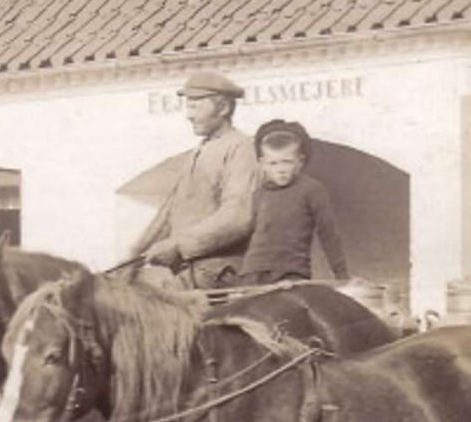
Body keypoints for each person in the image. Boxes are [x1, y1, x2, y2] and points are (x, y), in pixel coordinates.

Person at [133, 72, 258, 291]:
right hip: (187, 269)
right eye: (187, 107)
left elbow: (237, 216)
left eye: (195, 106)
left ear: (223, 109)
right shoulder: (199, 151)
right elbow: (168, 213)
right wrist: (132, 256)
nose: (188, 115)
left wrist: (179, 244)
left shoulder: (241, 148)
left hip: (217, 271)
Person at [237, 120, 348, 286]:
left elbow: (328, 233)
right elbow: (250, 237)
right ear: (262, 164)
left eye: (286, 162)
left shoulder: (312, 189)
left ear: (300, 161)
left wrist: (342, 275)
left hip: (291, 272)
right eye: (273, 163)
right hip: (252, 272)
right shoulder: (258, 195)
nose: (280, 169)